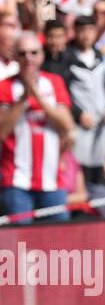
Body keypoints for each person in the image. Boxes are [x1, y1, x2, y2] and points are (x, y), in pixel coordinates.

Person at [0, 32, 76, 218]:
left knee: (58, 243)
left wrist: (39, 100)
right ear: (15, 56)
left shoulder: (54, 82)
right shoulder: (5, 87)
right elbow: (2, 131)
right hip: (16, 180)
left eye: (34, 52)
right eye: (23, 53)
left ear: (42, 55)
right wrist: (24, 99)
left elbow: (67, 125)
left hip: (52, 180)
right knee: (19, 243)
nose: (29, 58)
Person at [67, 15, 105, 211]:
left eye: (90, 30)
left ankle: (97, 214)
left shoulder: (98, 56)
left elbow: (104, 87)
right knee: (80, 171)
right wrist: (77, 113)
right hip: (80, 126)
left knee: (98, 171)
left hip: (100, 126)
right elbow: (62, 92)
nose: (86, 35)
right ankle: (81, 213)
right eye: (82, 30)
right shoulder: (67, 57)